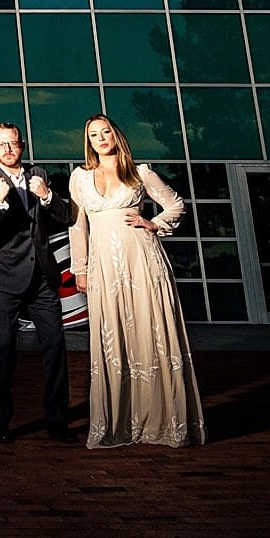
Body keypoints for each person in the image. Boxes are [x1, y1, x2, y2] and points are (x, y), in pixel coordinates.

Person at [69, 113, 207, 449]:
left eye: (105, 132)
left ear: (116, 135)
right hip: (104, 268)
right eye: (93, 134)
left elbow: (176, 205)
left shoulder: (140, 173)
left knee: (150, 332)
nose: (100, 138)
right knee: (112, 338)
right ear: (88, 142)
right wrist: (80, 268)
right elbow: (77, 226)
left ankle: (163, 423)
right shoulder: (80, 177)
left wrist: (152, 223)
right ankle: (117, 424)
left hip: (143, 263)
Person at [0, 122, 75, 444]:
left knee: (55, 348)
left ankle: (58, 422)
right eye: (1, 144)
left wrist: (46, 196)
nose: (7, 149)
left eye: (12, 143)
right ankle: (0, 424)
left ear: (22, 145)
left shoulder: (40, 174)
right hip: (3, 278)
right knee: (3, 350)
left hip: (42, 278)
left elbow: (66, 215)